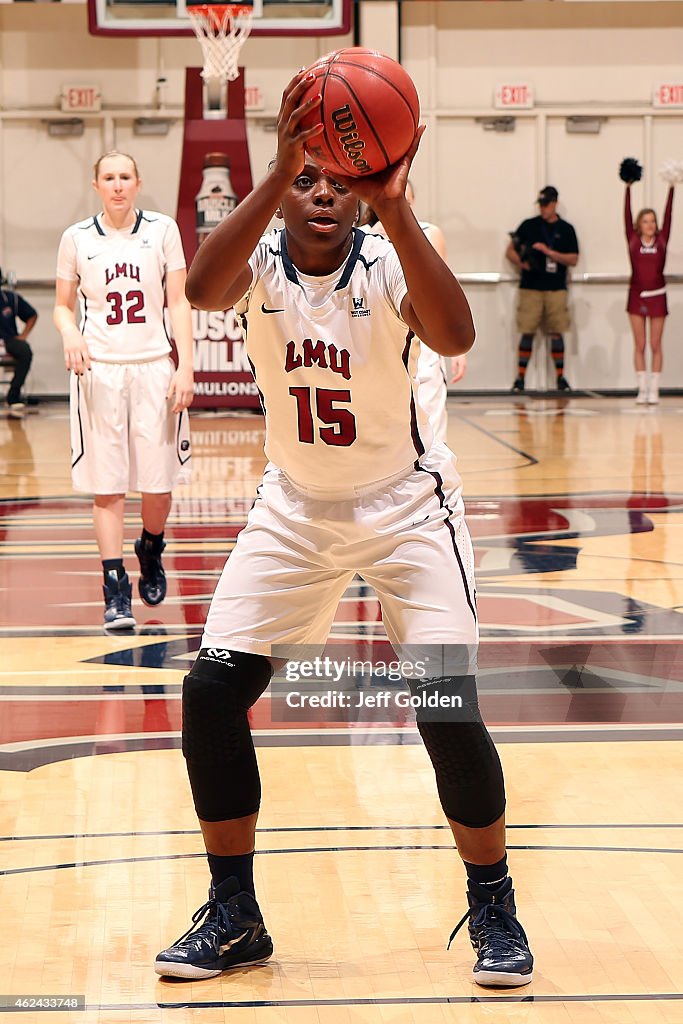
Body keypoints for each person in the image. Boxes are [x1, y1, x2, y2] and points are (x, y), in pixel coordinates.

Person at [154, 71, 534, 988]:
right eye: (305, 179)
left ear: (360, 187)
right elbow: (202, 290)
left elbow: (453, 335)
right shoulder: (255, 265)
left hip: (408, 512)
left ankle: (493, 904)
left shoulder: (390, 256)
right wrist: (280, 160)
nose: (322, 193)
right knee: (209, 695)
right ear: (284, 184)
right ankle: (235, 911)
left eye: (337, 179)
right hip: (294, 511)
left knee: (444, 706)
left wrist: (395, 208)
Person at [53, 151, 194, 630]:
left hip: (154, 367)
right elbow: (60, 307)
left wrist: (186, 365)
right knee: (107, 486)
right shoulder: (76, 239)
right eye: (108, 178)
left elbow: (179, 301)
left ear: (138, 183)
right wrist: (70, 333)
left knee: (158, 486)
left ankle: (150, 546)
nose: (117, 185)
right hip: (100, 373)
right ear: (96, 185)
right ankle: (115, 588)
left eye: (125, 177)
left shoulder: (163, 230)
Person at [361, 183, 467, 444]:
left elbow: (445, 291)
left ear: (413, 202)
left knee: (432, 425)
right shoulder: (361, 236)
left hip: (423, 337)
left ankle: (434, 481)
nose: (399, 206)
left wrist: (460, 350)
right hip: (378, 339)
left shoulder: (430, 233)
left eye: (405, 201)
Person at [506, 185, 579, 392]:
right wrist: (521, 262)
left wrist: (549, 252)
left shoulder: (566, 229)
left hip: (556, 287)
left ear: (555, 203)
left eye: (546, 204)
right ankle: (520, 379)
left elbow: (573, 258)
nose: (543, 208)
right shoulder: (529, 226)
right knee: (527, 331)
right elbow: (510, 250)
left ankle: (560, 378)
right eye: (540, 204)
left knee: (557, 331)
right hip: (531, 286)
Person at [624, 182, 674, 405]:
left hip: (657, 295)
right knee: (640, 344)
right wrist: (627, 188)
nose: (650, 224)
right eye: (645, 221)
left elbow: (669, 215)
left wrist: (672, 189)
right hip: (636, 294)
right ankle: (642, 389)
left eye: (653, 221)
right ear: (638, 225)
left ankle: (654, 389)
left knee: (655, 344)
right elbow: (625, 215)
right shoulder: (633, 241)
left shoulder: (661, 241)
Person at [0, 270, 37, 418]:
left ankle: (13, 395)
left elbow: (32, 315)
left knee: (25, 351)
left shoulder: (11, 299)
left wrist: (24, 335)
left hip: (9, 340)